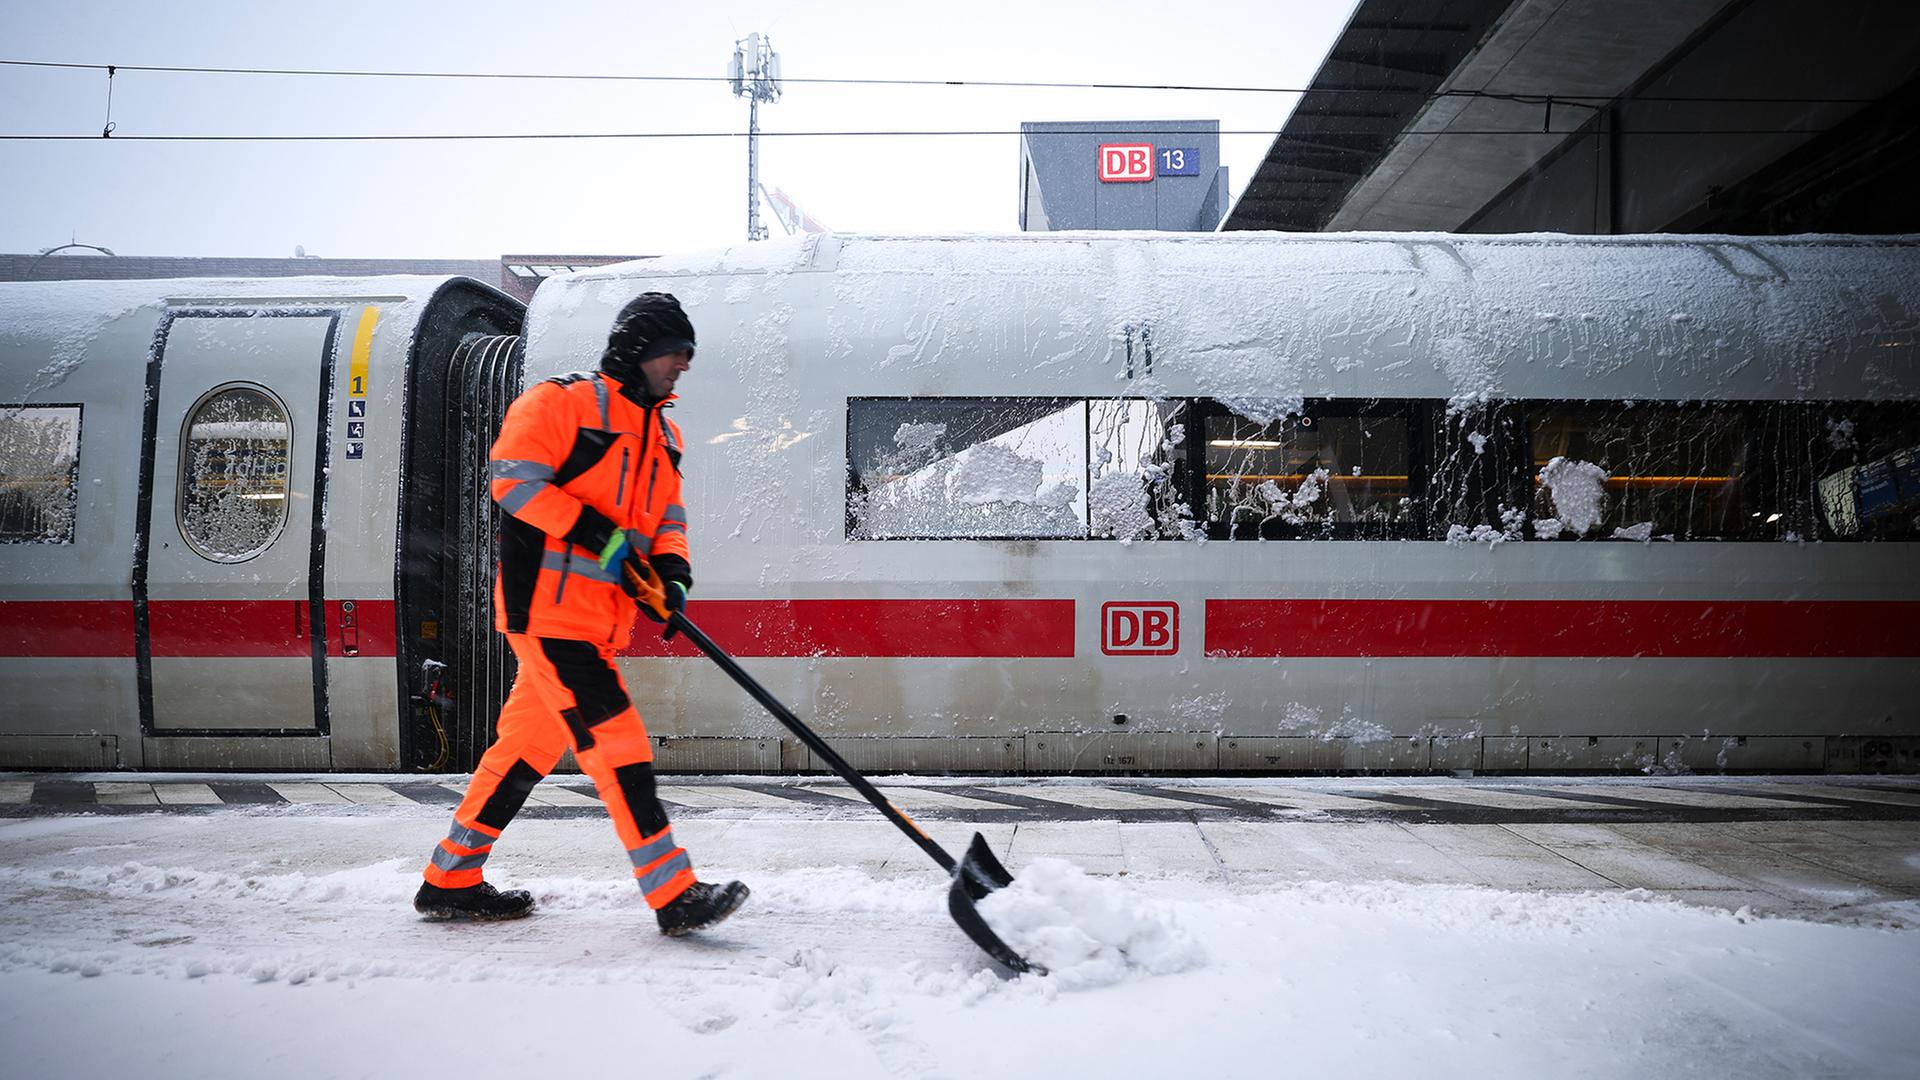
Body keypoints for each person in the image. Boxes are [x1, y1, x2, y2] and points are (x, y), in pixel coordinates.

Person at [413, 292, 748, 936]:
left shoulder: (663, 433)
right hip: (546, 611)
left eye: (687, 355)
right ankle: (673, 891)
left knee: (524, 750)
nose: (682, 366)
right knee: (618, 739)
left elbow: (666, 520)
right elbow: (513, 480)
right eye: (673, 353)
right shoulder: (561, 403)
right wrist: (599, 534)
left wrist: (672, 573)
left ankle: (450, 877)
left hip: (598, 620)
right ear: (637, 351)